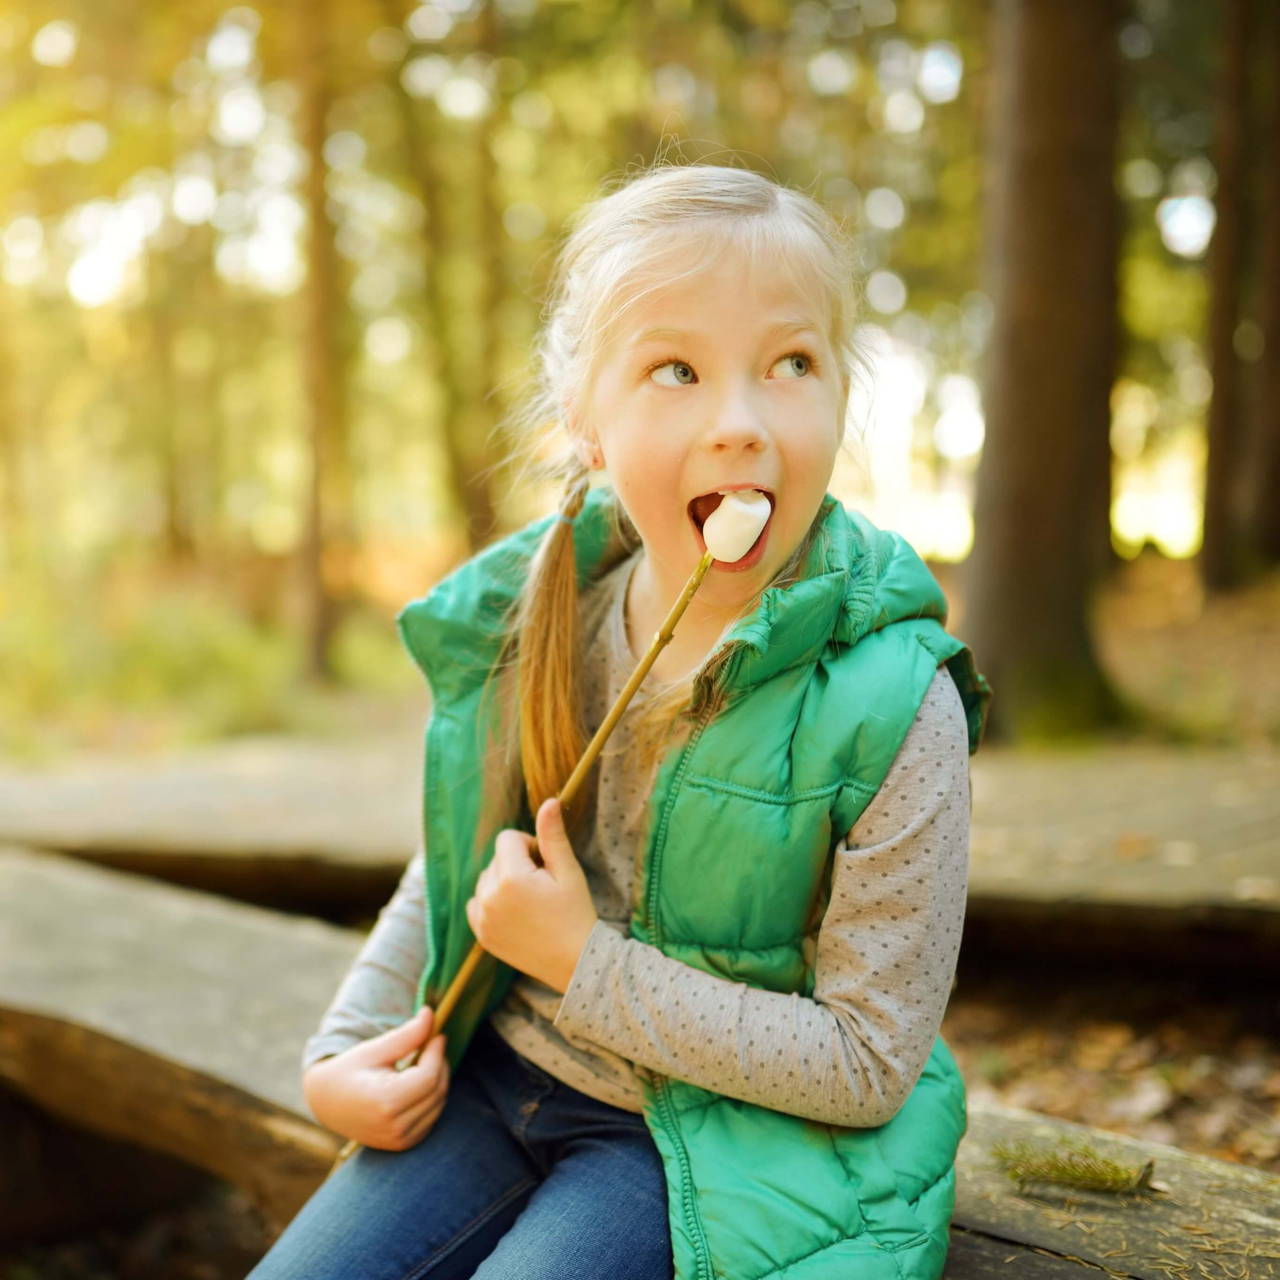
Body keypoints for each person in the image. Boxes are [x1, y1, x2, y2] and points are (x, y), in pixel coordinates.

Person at [247, 160, 992, 1280]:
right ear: (583, 425)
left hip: (697, 1140)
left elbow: (869, 1057)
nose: (738, 422)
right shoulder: (547, 613)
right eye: (675, 369)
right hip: (495, 1073)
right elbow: (464, 863)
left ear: (841, 390)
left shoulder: (894, 704)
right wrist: (341, 1048)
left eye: (790, 362)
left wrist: (583, 963)